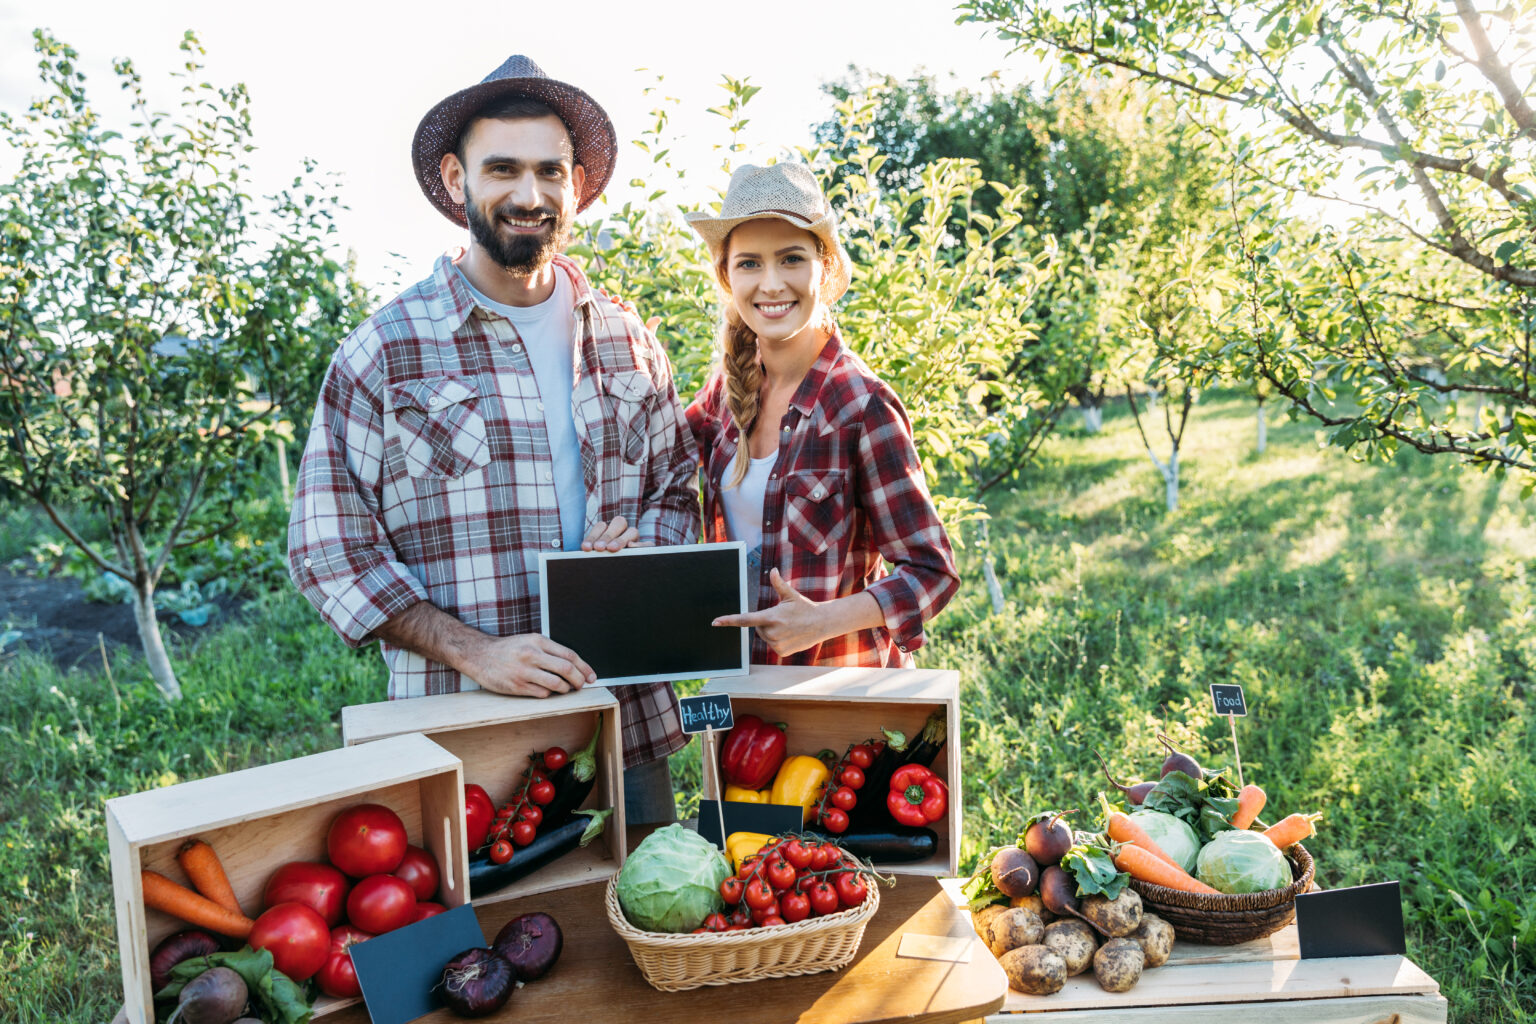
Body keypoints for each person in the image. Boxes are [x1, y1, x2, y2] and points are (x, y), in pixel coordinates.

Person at [287, 56, 697, 821]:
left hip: (622, 718)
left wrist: (645, 553)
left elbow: (679, 489)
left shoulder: (627, 340)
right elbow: (328, 550)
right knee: (491, 935)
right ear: (455, 179)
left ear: (576, 185)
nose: (528, 195)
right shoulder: (388, 350)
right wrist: (476, 653)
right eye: (501, 169)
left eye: (550, 171)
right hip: (461, 732)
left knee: (651, 920)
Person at [685, 163, 959, 667]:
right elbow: (657, 461)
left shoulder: (859, 405)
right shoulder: (723, 396)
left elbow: (932, 572)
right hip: (744, 692)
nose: (771, 284)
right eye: (749, 264)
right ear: (727, 276)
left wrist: (822, 620)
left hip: (840, 694)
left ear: (824, 267)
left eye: (791, 259)